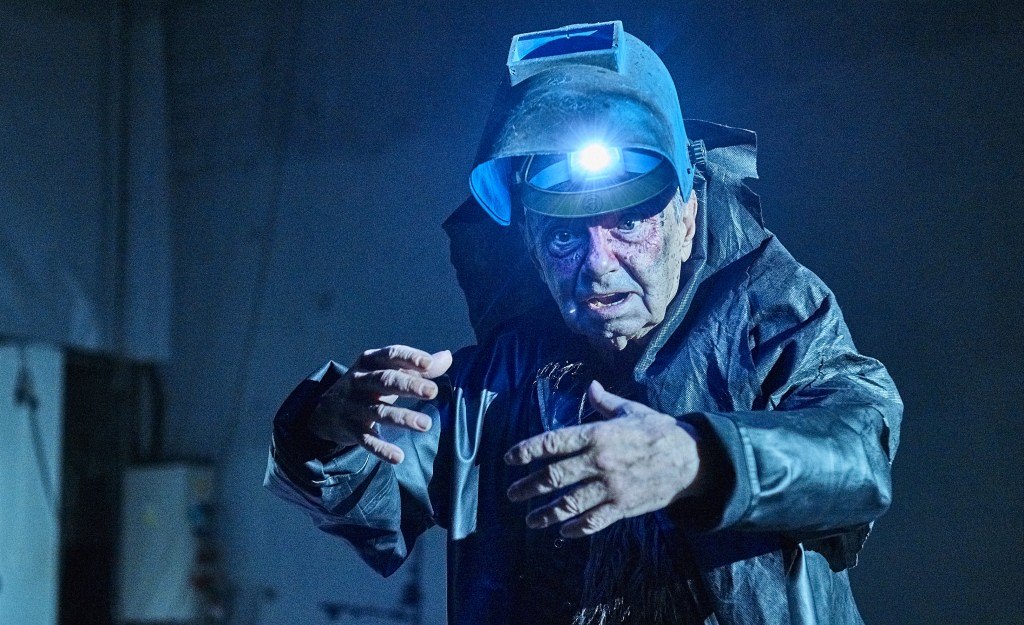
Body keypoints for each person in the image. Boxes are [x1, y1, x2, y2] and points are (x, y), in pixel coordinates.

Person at [265, 21, 902, 625]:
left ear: (685, 220)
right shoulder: (496, 385)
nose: (599, 266)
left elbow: (858, 455)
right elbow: (369, 493)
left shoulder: (770, 321)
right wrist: (326, 429)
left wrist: (696, 459)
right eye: (566, 237)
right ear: (532, 249)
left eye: (629, 224)